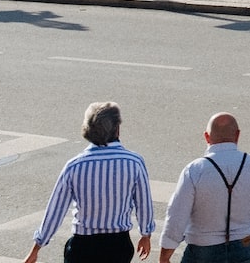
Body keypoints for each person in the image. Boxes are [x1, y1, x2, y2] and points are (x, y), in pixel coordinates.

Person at [25, 101, 154, 263]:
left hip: (82, 247)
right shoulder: (134, 162)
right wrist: (146, 234)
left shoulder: (74, 166)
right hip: (118, 246)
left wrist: (36, 248)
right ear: (117, 129)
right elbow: (144, 203)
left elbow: (55, 211)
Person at [158, 112, 250, 263]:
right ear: (237, 135)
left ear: (207, 137)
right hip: (242, 246)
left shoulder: (195, 170)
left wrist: (165, 256)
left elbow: (177, 216)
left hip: (203, 249)